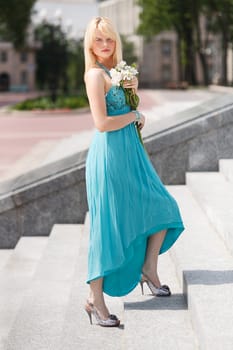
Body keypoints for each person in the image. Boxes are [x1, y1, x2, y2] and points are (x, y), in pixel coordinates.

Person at [84, 16, 184, 327]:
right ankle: (94, 298)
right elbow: (101, 124)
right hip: (110, 157)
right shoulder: (94, 76)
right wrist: (134, 115)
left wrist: (133, 98)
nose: (105, 45)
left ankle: (148, 269)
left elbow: (126, 113)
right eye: (99, 40)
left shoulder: (114, 73)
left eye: (109, 39)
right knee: (107, 226)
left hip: (131, 154)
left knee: (163, 206)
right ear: (90, 44)